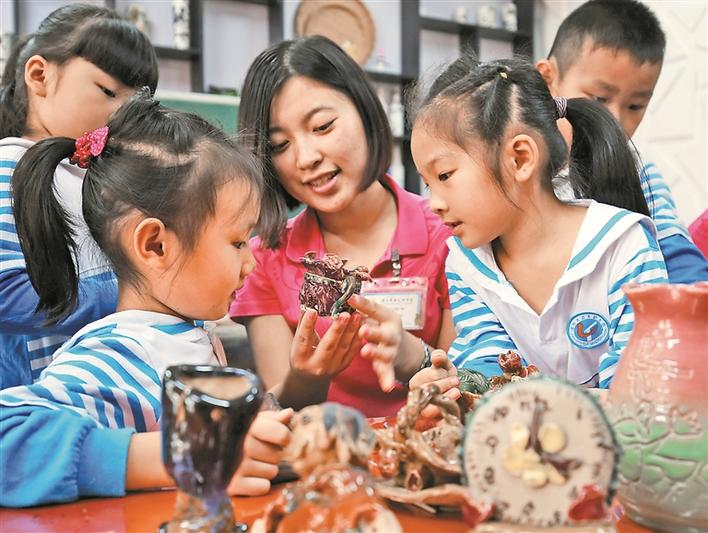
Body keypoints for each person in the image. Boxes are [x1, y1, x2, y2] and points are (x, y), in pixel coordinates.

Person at [0, 93, 292, 507]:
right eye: (237, 242)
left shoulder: (182, 331)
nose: (251, 264)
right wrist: (181, 458)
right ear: (155, 245)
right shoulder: (127, 349)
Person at [409, 56, 668, 393]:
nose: (434, 203)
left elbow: (640, 394)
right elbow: (487, 367)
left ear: (520, 158)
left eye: (444, 175)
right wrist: (458, 389)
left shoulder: (623, 246)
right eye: (428, 184)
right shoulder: (466, 262)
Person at [231, 36, 456, 417]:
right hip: (322, 449)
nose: (306, 158)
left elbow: (467, 388)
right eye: (280, 145)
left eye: (322, 126)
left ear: (365, 111)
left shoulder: (449, 233)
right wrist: (308, 376)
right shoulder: (263, 259)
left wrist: (415, 357)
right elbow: (282, 411)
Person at [0, 4, 159, 388]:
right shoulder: (10, 166)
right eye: (108, 92)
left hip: (94, 391)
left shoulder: (89, 175)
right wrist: (130, 290)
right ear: (39, 76)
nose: (121, 116)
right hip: (39, 400)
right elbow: (6, 296)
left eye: (133, 105)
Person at [535, 0, 708, 283]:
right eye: (599, 99)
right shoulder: (519, 170)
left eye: (635, 106)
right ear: (547, 79)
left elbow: (678, 259)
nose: (615, 120)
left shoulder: (640, 177)